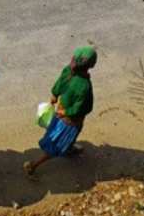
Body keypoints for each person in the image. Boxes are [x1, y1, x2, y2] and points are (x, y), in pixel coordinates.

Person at [25, 47, 96, 176]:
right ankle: (34, 165)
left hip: (60, 112)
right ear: (91, 65)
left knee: (57, 135)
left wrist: (55, 95)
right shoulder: (84, 86)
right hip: (71, 121)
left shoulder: (68, 70)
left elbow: (59, 83)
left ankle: (69, 147)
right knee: (57, 145)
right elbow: (82, 108)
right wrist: (67, 112)